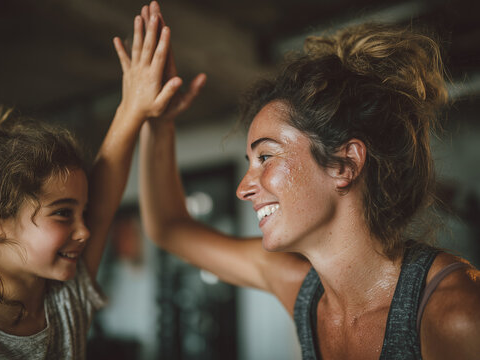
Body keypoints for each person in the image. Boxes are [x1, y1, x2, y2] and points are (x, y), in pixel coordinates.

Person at [137, 2, 480, 359]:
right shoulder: (303, 290)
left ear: (345, 164)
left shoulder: (457, 314)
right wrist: (157, 123)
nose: (243, 188)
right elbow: (168, 227)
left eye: (265, 157)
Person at [0, 13, 187, 359]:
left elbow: (102, 205)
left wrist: (134, 108)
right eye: (62, 214)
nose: (85, 230)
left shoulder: (67, 298)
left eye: (81, 212)